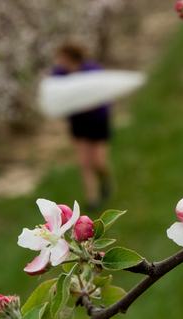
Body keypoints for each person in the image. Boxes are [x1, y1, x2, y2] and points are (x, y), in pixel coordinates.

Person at [51, 42, 112, 211]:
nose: (58, 61)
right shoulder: (59, 74)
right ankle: (92, 199)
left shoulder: (92, 70)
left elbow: (102, 94)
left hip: (98, 120)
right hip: (78, 122)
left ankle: (105, 180)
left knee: (99, 161)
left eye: (61, 57)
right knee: (84, 162)